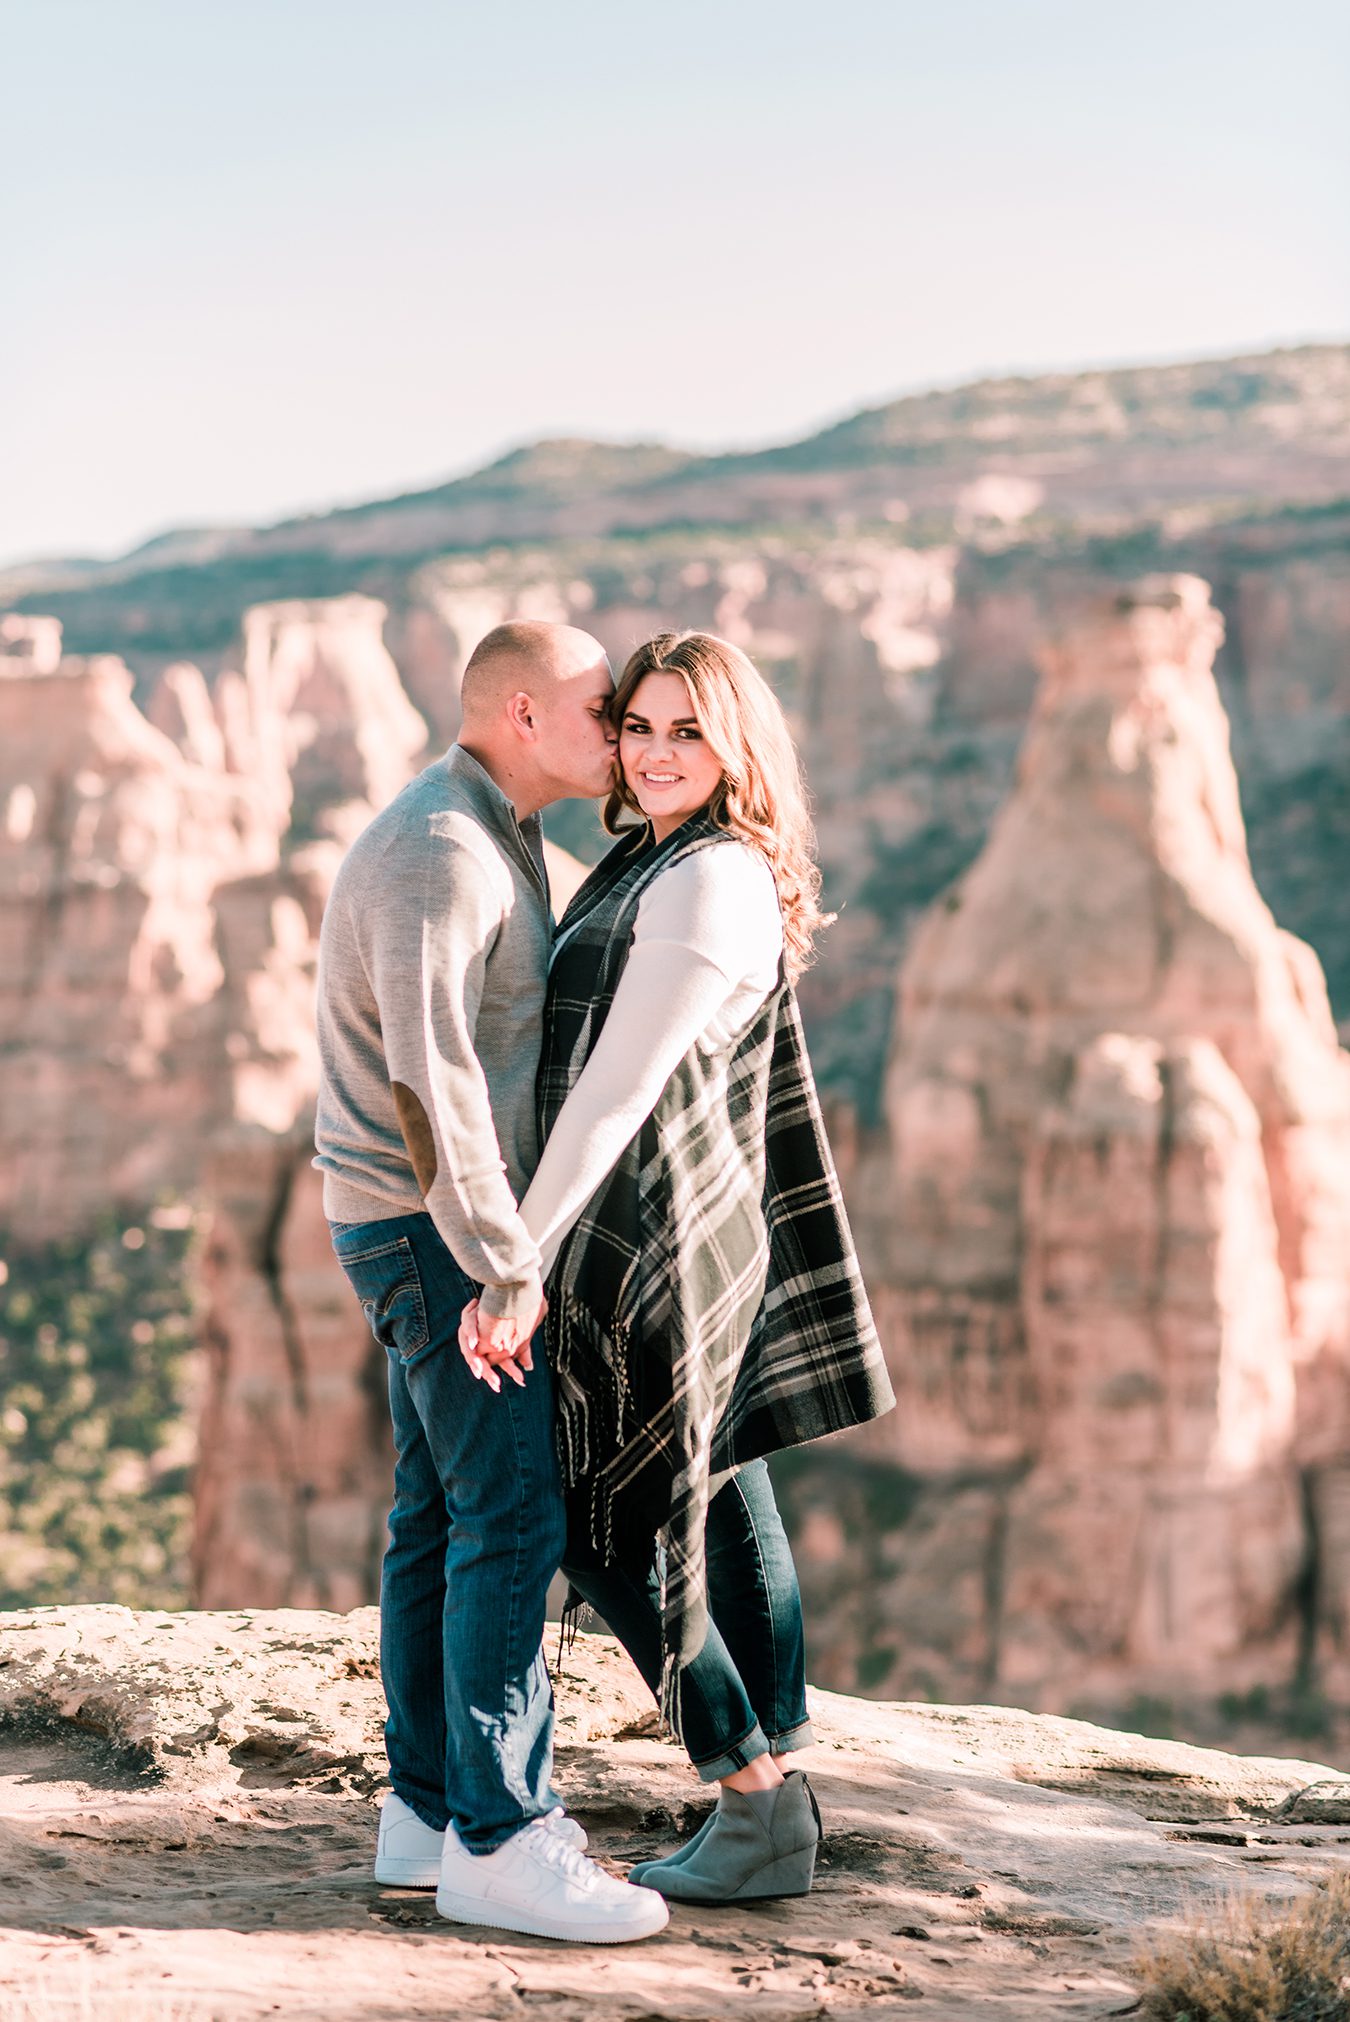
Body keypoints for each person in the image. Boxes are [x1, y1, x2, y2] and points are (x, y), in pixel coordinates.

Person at [460, 630, 895, 1903]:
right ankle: (782, 1787)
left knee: (614, 1522)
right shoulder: (667, 857)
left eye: (686, 733)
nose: (653, 753)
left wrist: (512, 1263)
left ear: (736, 746)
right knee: (722, 1498)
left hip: (643, 1246)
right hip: (668, 1230)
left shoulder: (709, 883)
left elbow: (614, 1093)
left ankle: (752, 1796)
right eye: (638, 726)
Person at [313, 619, 669, 1944]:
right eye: (600, 710)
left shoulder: (486, 826)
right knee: (511, 1512)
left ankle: (424, 1813)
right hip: (429, 1230)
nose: (622, 732)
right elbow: (432, 1076)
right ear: (522, 715)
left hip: (413, 1225)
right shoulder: (442, 850)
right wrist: (500, 1260)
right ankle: (504, 1836)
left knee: (438, 1510)